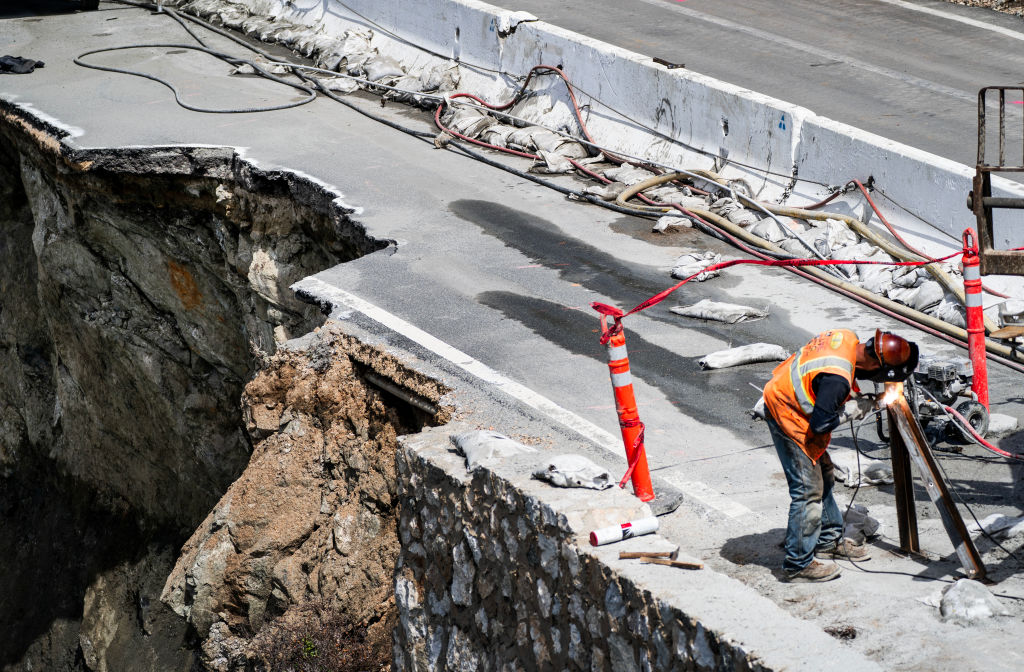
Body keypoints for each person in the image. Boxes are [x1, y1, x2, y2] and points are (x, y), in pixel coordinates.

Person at [762, 329, 918, 583]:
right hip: (786, 411)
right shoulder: (838, 379)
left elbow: (824, 383)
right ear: (875, 363)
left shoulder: (846, 338)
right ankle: (797, 564)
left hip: (791, 394)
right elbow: (821, 424)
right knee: (807, 491)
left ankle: (827, 540)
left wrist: (855, 399)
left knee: (825, 476)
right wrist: (858, 407)